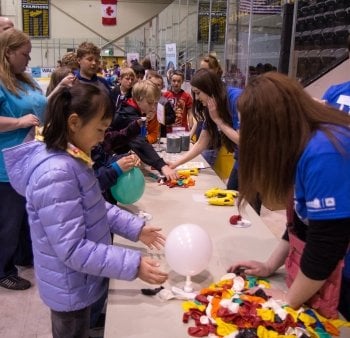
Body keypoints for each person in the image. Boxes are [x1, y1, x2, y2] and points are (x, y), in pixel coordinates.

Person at [3, 83, 168, 337]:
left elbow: (94, 204)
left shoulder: (73, 158)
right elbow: (72, 249)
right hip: (70, 288)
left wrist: (136, 228)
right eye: (100, 129)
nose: (103, 137)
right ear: (74, 122)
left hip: (83, 279)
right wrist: (132, 264)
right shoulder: (56, 174)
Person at [227, 72, 350, 319]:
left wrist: (289, 298)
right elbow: (301, 219)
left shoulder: (323, 152)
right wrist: (270, 265)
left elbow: (327, 242)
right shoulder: (301, 145)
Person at [0, 28, 47, 290]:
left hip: (28, 161)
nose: (28, 60)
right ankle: (3, 270)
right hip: (5, 165)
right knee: (8, 222)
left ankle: (21, 258)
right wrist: (18, 122)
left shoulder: (23, 79)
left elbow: (40, 107)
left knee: (22, 218)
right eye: (24, 54)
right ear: (8, 52)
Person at [168, 68, 240, 178]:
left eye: (198, 93)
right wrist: (174, 164)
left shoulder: (236, 99)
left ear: (209, 89)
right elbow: (201, 143)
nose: (196, 98)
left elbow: (242, 140)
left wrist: (218, 121)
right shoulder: (211, 105)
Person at [106, 80, 177, 180]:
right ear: (139, 99)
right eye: (150, 103)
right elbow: (138, 142)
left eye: (155, 103)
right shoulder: (128, 114)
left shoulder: (131, 108)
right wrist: (162, 166)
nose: (153, 107)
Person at [146, 70, 176, 138]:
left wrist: (161, 118)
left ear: (162, 86)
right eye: (153, 84)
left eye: (158, 85)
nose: (156, 87)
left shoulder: (164, 101)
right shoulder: (142, 99)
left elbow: (172, 117)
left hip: (160, 134)